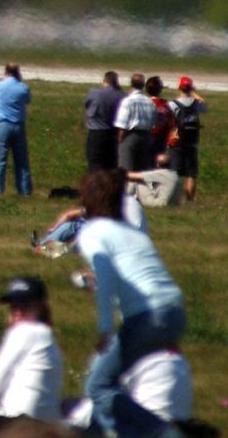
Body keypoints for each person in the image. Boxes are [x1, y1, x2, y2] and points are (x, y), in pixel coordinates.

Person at [75, 168, 185, 437]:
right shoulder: (132, 233)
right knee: (117, 383)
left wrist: (104, 328)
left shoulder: (92, 232)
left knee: (98, 387)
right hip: (175, 312)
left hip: (146, 315)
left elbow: (106, 278)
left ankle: (164, 433)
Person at [0, 276, 63, 424]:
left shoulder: (24, 331)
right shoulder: (48, 336)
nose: (18, 312)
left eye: (25, 306)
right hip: (49, 423)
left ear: (40, 307)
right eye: (14, 306)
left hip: (19, 421)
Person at [65, 349, 195, 436]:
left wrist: (69, 421)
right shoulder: (177, 359)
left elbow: (100, 402)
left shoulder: (128, 353)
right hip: (178, 429)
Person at [0, 63, 33, 195]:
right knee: (21, 160)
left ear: (5, 72)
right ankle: (24, 190)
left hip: (1, 124)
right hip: (18, 124)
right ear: (18, 73)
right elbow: (27, 99)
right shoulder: (22, 87)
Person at [166, 76, 206, 201]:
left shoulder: (173, 104)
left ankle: (174, 198)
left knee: (174, 172)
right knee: (191, 173)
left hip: (177, 141)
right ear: (190, 88)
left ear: (179, 88)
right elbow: (204, 105)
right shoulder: (196, 104)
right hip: (192, 141)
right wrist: (194, 92)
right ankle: (190, 198)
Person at [114, 73, 156, 171]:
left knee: (125, 168)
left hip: (130, 136)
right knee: (142, 169)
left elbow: (122, 124)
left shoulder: (128, 101)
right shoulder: (150, 102)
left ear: (131, 84)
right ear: (143, 85)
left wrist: (120, 141)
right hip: (146, 136)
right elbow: (153, 122)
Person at [84, 71, 124, 170]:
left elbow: (87, 105)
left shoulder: (94, 92)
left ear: (104, 81)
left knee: (95, 163)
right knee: (111, 164)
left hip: (96, 132)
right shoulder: (121, 95)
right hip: (113, 133)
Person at [145, 76, 174, 170]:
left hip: (146, 136)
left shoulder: (144, 103)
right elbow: (171, 123)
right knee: (158, 163)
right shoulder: (165, 104)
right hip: (161, 138)